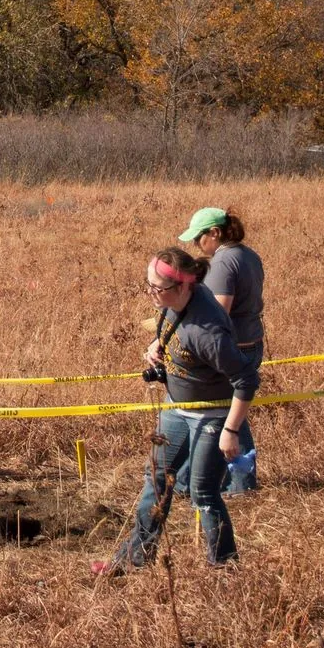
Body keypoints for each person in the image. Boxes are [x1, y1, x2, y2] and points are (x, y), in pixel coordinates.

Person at [96, 247, 260, 574]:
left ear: (184, 286)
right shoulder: (173, 303)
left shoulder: (208, 331)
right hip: (176, 405)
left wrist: (230, 432)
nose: (152, 294)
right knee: (157, 481)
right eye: (149, 285)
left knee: (203, 492)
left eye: (158, 288)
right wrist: (159, 344)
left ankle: (224, 569)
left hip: (212, 415)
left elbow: (246, 379)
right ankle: (134, 559)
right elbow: (169, 323)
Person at [175, 207, 265, 493]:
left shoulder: (222, 263)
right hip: (251, 343)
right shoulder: (248, 255)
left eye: (199, 238)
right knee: (227, 414)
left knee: (227, 417)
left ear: (215, 233)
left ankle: (241, 484)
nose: (196, 245)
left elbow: (217, 313)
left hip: (229, 352)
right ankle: (185, 480)